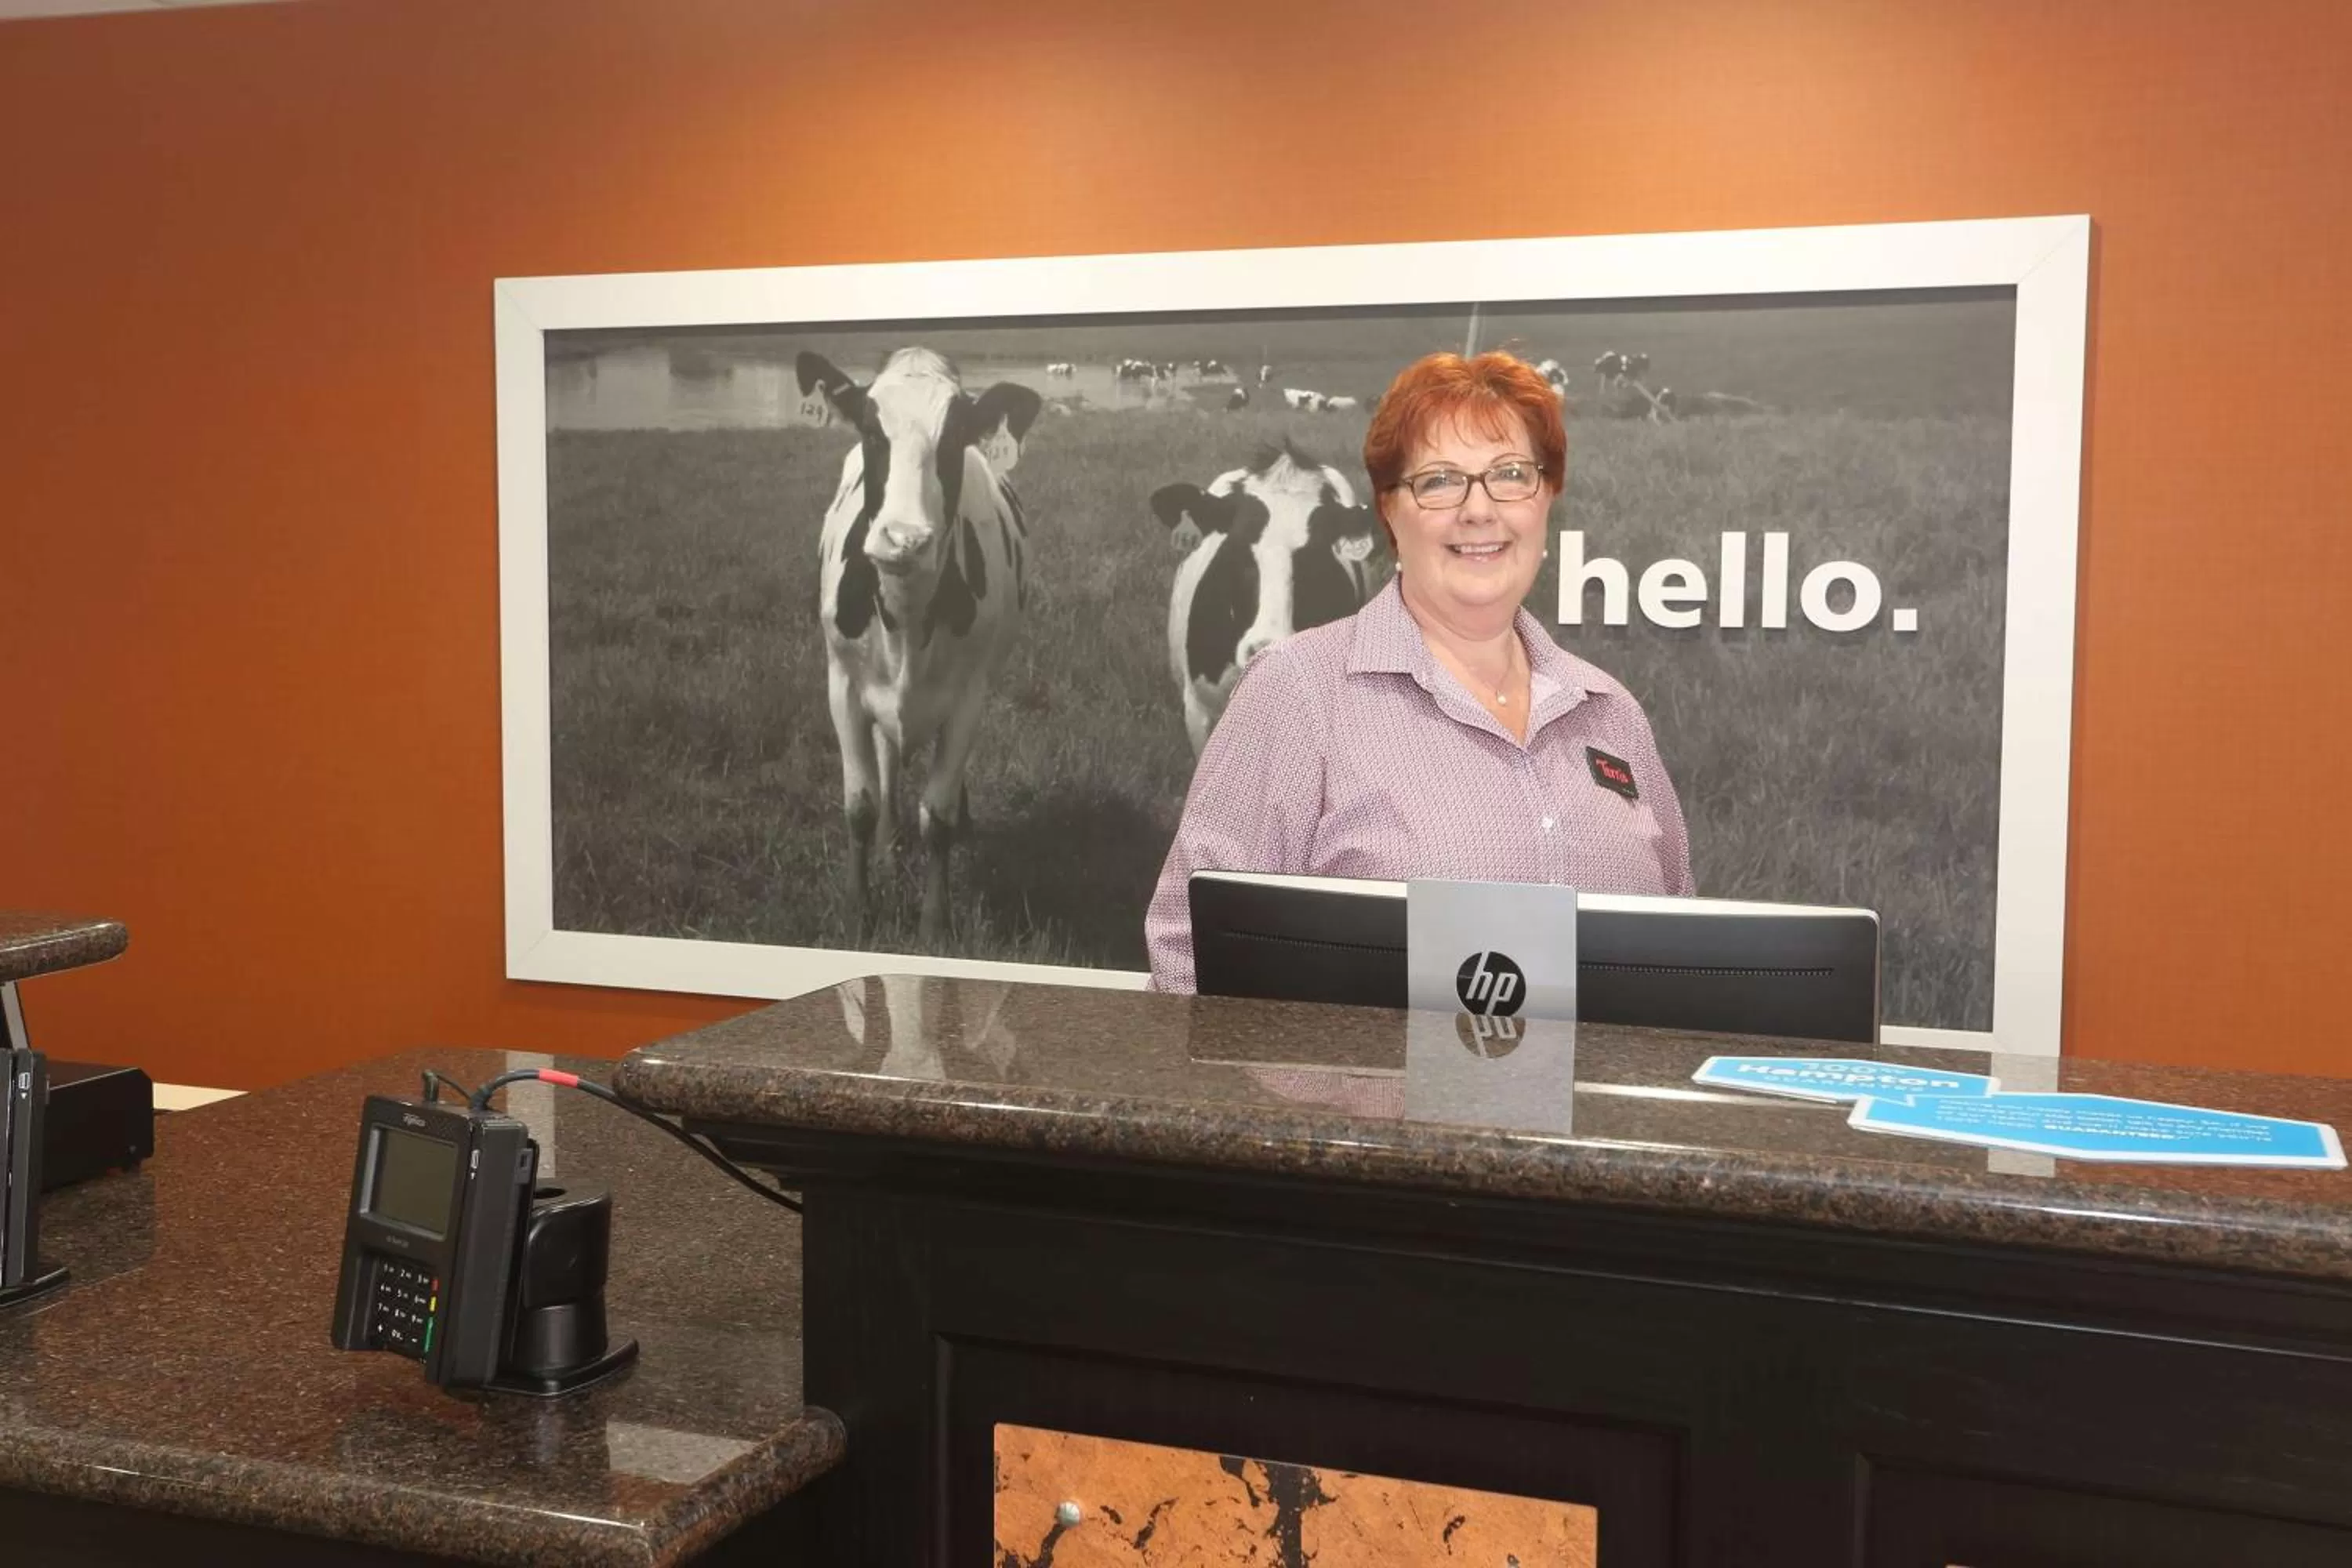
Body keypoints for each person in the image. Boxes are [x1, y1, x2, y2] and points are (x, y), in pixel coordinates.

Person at [1145, 350, 1694, 992]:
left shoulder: (1611, 712)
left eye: (1511, 474)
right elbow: (1189, 961)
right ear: (1388, 511)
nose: (1479, 510)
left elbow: (1679, 959)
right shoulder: (1297, 693)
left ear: (1547, 499)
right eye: (1439, 481)